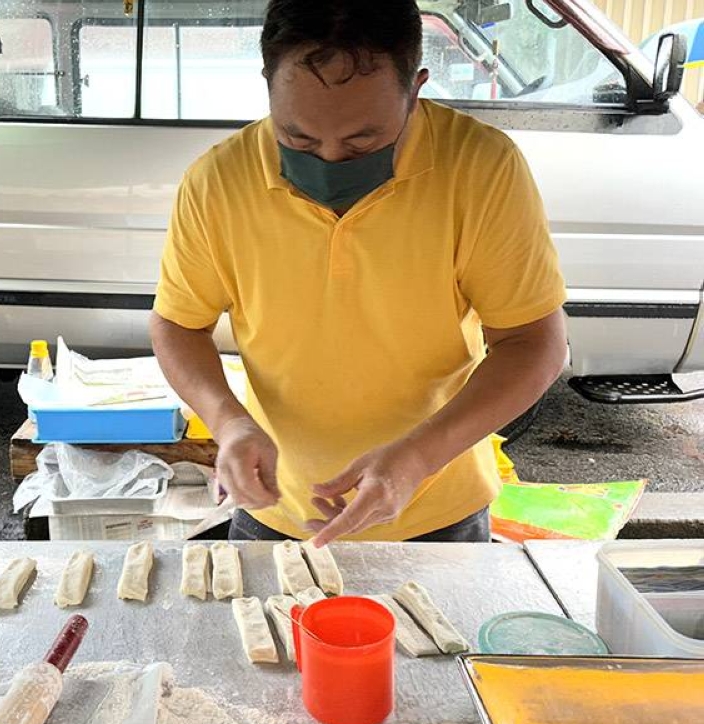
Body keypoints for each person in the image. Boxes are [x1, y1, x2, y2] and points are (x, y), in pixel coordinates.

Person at [150, 0, 568, 546]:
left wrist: (416, 458)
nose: (327, 160)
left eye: (362, 142)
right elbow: (177, 325)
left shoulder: (481, 168)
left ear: (415, 88)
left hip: (434, 510)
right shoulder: (217, 181)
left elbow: (534, 342)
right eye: (297, 137)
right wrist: (228, 423)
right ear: (266, 83)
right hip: (277, 506)